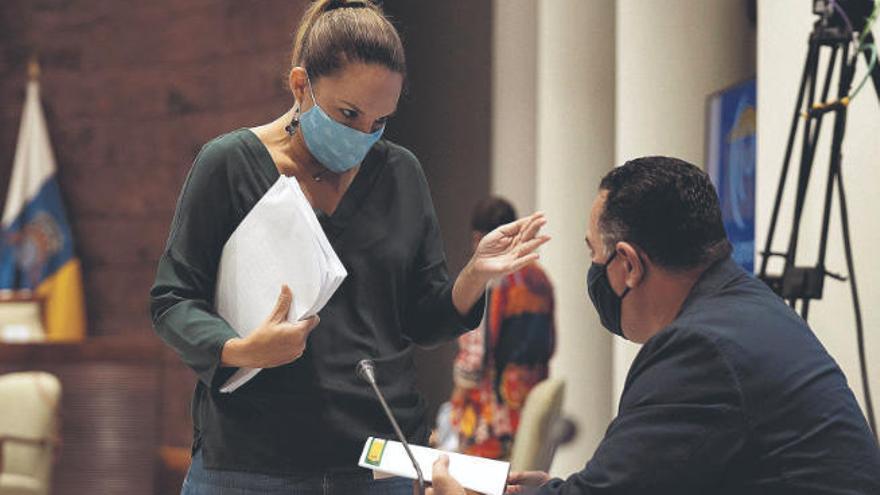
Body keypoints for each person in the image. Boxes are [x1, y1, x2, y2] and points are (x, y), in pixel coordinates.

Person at [148, 1, 549, 493]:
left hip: (377, 462)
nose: (362, 136)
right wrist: (239, 349)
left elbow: (422, 319)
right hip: (249, 462)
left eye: (380, 121)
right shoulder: (228, 165)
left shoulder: (400, 173)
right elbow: (173, 300)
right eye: (348, 114)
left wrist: (474, 276)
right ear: (301, 86)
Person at [426, 157, 880, 494]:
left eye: (594, 255)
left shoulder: (698, 348)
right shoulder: (745, 306)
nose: (593, 270)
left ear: (627, 264)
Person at [448, 197, 555, 460]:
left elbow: (471, 366)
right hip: (528, 409)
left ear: (477, 238)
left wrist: (456, 405)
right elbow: (551, 344)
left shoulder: (491, 282)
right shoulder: (540, 278)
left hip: (492, 422)